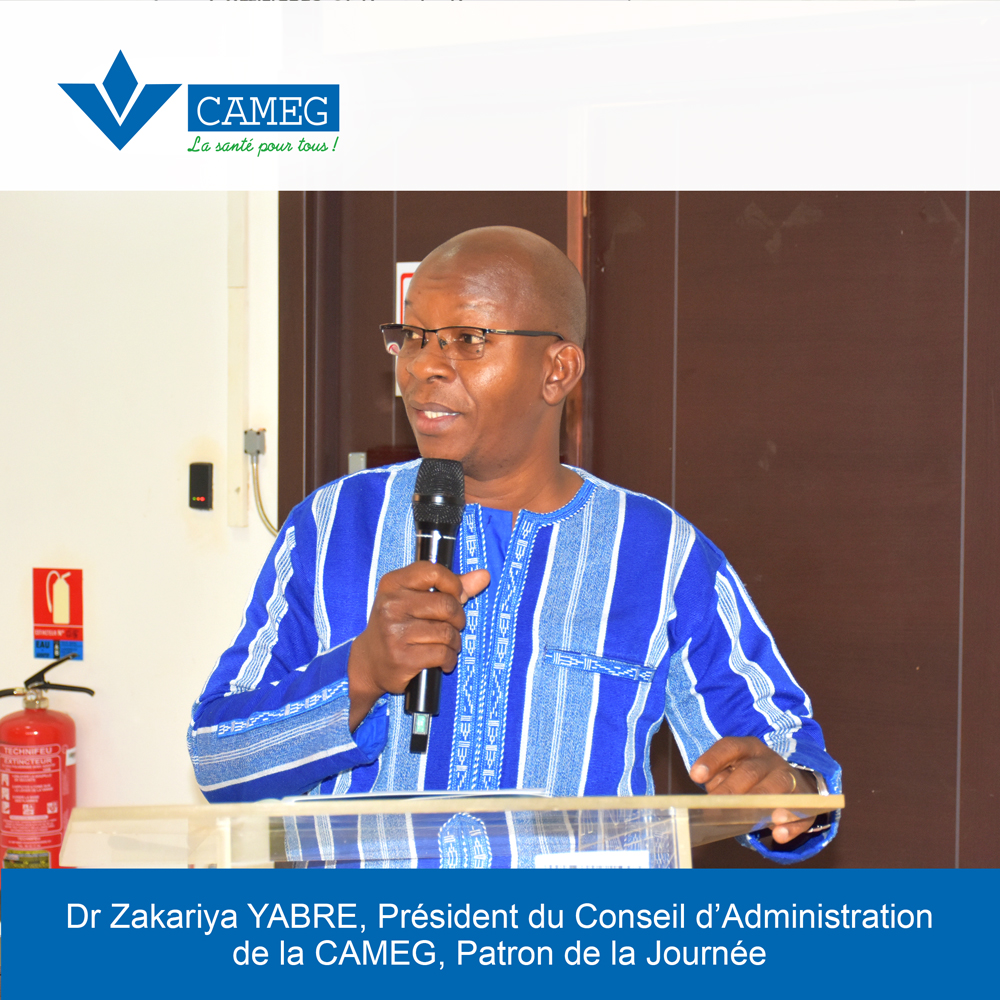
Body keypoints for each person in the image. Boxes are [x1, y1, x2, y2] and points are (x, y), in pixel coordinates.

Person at [188, 226, 840, 864]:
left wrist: (791, 791)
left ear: (557, 370)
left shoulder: (659, 553)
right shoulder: (335, 525)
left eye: (468, 340)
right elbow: (218, 757)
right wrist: (360, 673)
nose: (423, 367)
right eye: (413, 337)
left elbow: (785, 754)